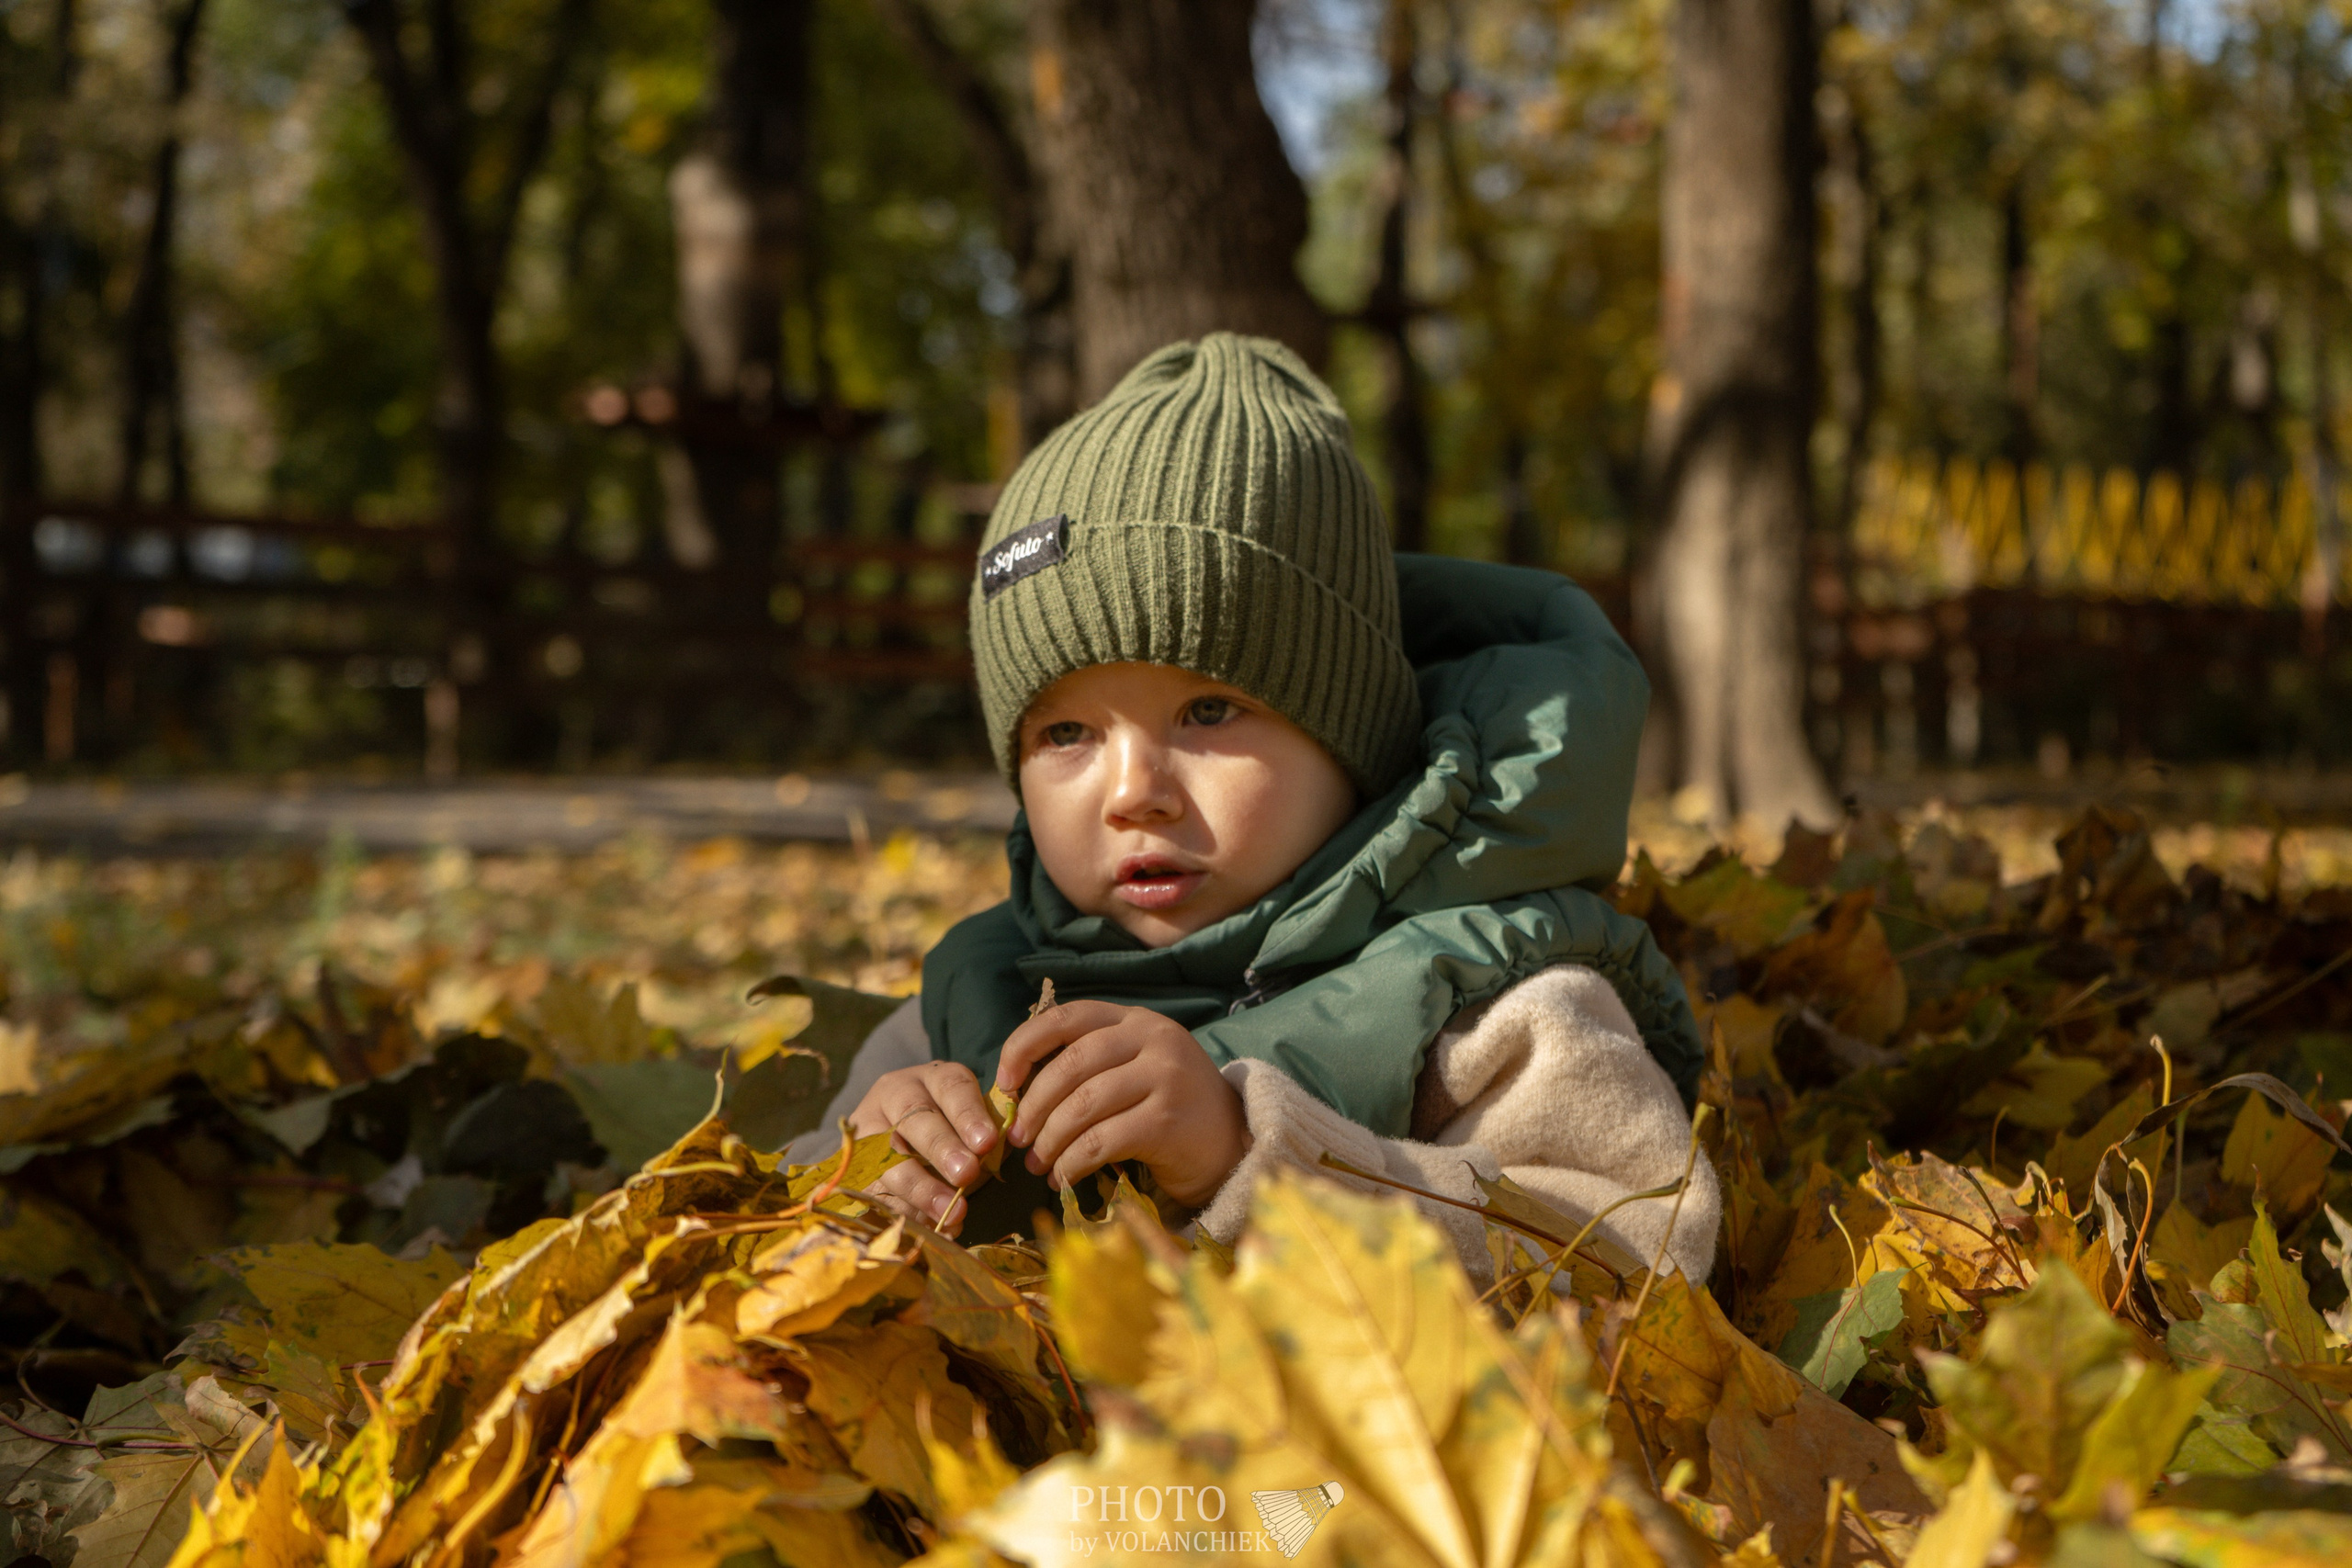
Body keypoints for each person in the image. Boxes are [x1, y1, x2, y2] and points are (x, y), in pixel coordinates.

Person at [783, 332, 1719, 1286]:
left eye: (1209, 710)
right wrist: (858, 1180)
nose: (1131, 792)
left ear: (1354, 739)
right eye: (1065, 736)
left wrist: (1254, 1163)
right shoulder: (970, 1005)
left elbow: (1646, 1260)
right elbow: (754, 1243)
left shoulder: (1497, 1010)